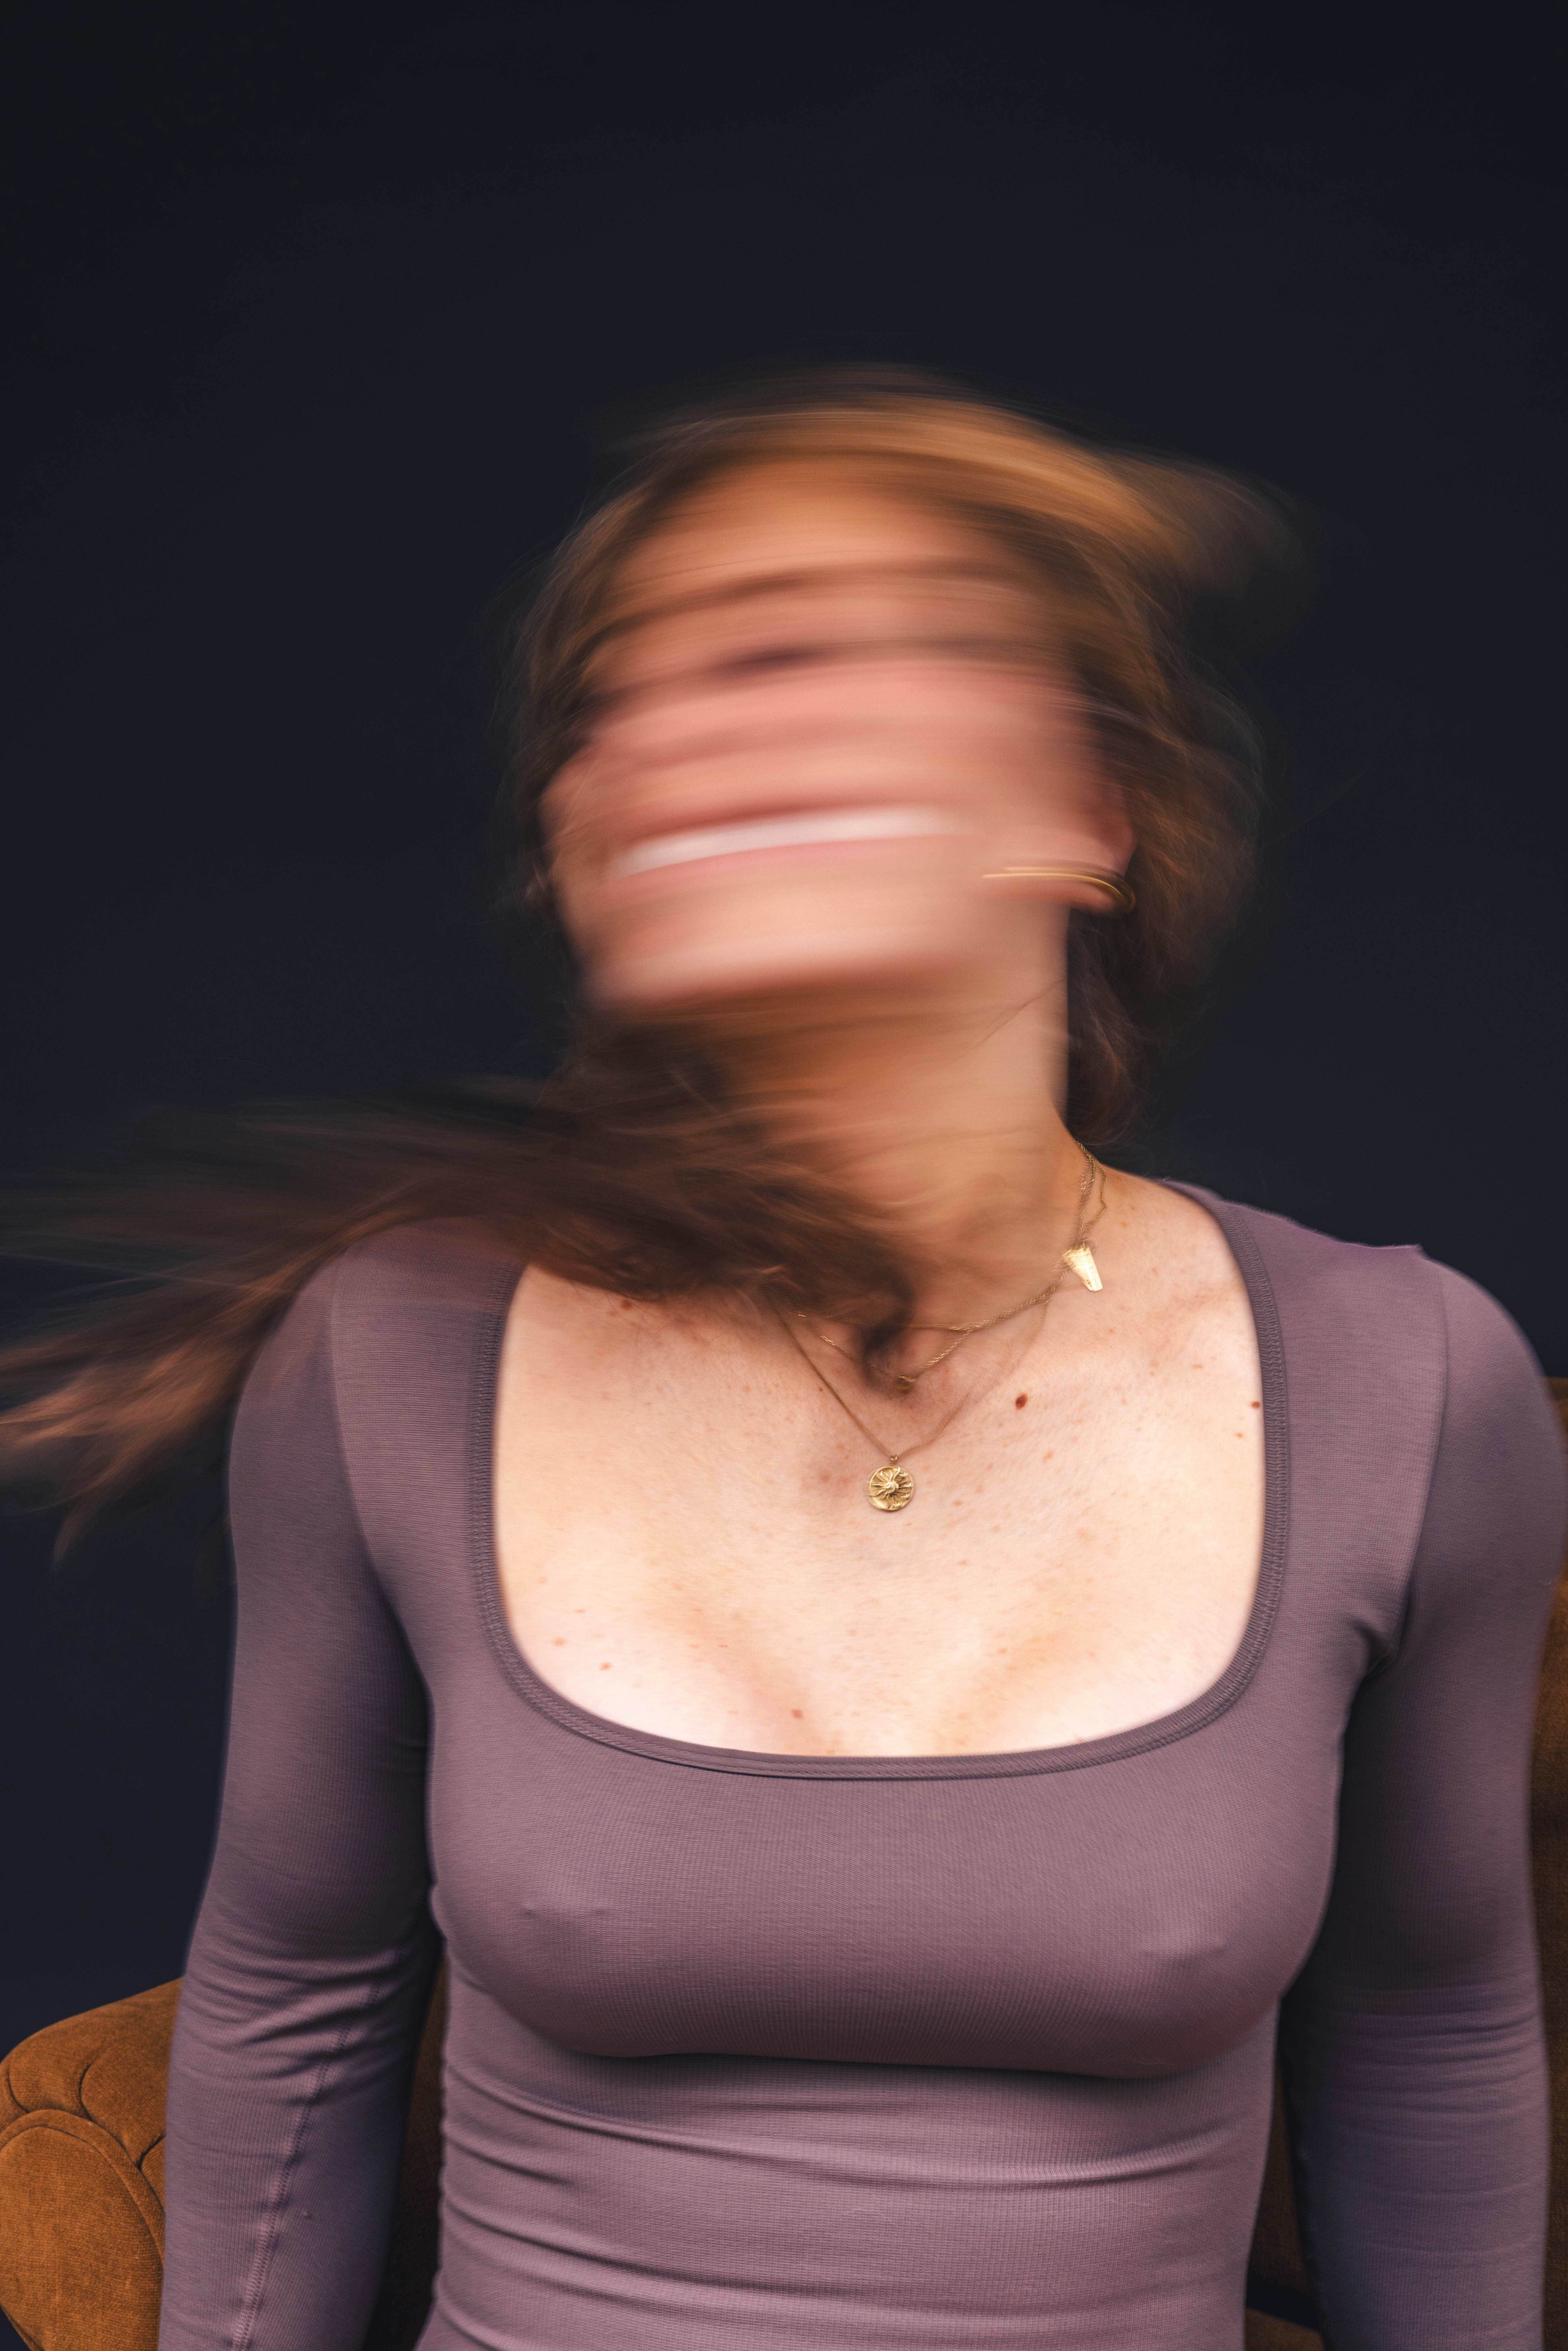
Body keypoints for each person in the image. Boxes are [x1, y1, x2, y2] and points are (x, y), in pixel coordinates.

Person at [4, 372, 1562, 2349]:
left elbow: (1426, 2064)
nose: (673, 730)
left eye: (804, 646)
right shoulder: (397, 1348)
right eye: (620, 698)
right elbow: (292, 2028)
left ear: (1086, 812)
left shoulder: (1409, 1383)